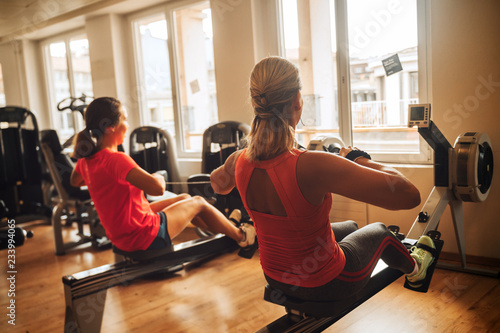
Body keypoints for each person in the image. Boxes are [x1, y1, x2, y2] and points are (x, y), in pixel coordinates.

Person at [210, 56, 435, 301]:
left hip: (275, 276)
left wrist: (234, 167)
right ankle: (416, 269)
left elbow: (218, 185)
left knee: (351, 228)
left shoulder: (238, 160)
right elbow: (409, 195)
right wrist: (359, 158)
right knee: (380, 232)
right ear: (297, 100)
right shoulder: (313, 165)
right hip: (327, 284)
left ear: (255, 103)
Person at [70, 97, 255, 252]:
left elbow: (75, 182)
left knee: (183, 197)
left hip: (121, 234)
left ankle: (226, 230)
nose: (127, 125)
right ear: (110, 127)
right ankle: (242, 236)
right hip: (142, 236)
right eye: (124, 119)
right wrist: (158, 176)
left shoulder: (85, 161)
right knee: (198, 202)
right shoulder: (116, 159)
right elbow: (158, 189)